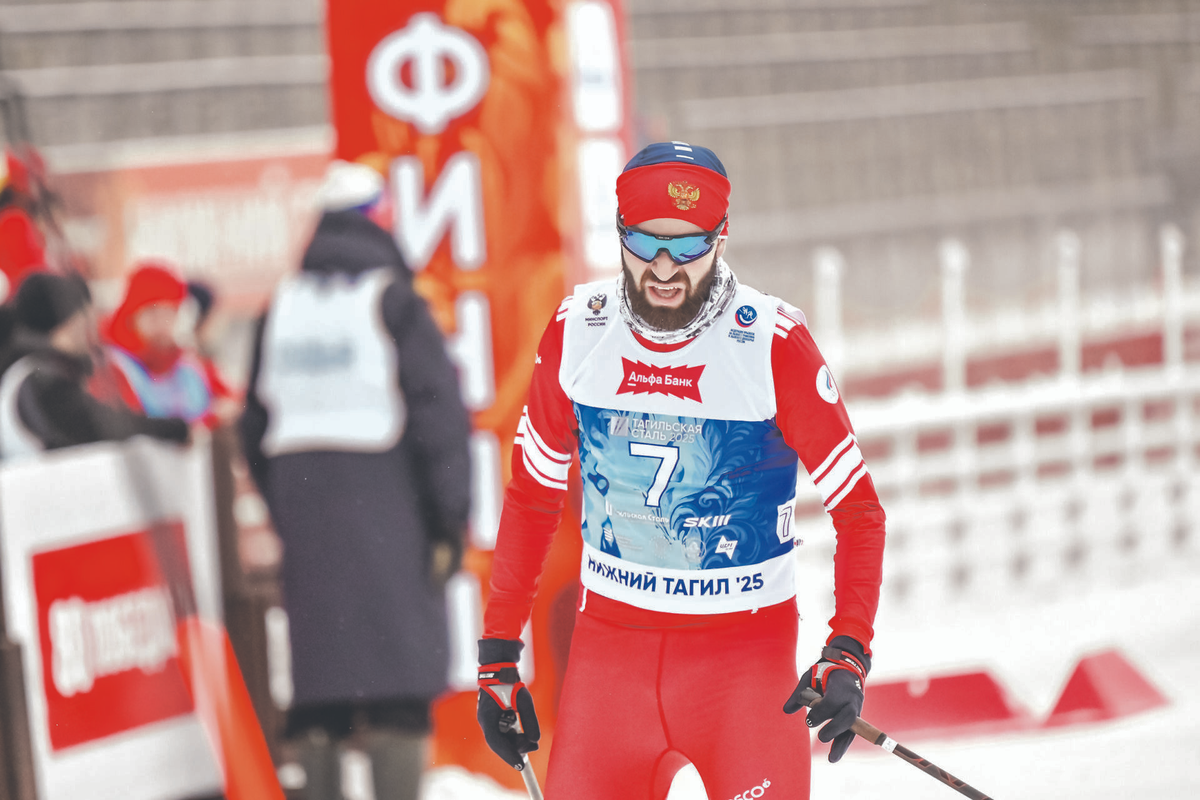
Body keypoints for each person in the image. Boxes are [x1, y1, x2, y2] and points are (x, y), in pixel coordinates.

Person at [475, 143, 887, 798]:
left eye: (688, 246)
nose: (664, 267)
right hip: (609, 658)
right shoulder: (578, 332)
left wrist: (849, 651)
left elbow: (860, 513)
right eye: (644, 243)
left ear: (721, 237)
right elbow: (531, 498)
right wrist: (498, 655)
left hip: (743, 665)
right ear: (619, 236)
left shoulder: (771, 344)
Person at [239, 160, 472, 800]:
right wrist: (451, 520)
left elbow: (252, 424)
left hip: (309, 524)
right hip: (393, 520)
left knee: (322, 684)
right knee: (398, 681)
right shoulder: (394, 303)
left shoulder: (278, 309)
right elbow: (440, 421)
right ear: (378, 222)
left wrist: (287, 510)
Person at [0, 272, 188, 458]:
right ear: (69, 321)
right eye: (84, 315)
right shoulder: (40, 381)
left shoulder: (32, 372)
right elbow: (100, 426)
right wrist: (177, 429)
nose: (91, 326)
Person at [96, 260, 230, 427]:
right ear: (131, 316)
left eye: (169, 313)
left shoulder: (190, 365)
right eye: (152, 313)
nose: (162, 324)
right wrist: (205, 422)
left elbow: (232, 401)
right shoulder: (113, 367)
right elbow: (131, 426)